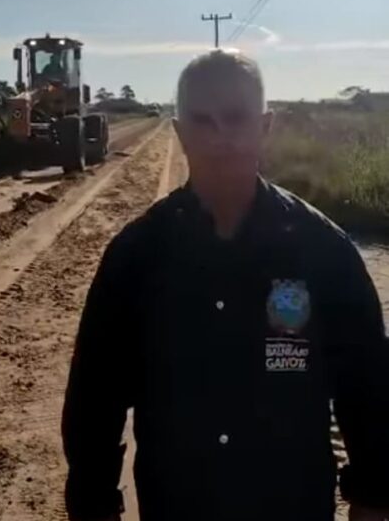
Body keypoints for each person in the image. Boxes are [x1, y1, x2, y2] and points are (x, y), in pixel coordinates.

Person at [62, 50, 389, 521]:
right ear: (179, 134)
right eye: (202, 121)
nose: (220, 138)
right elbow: (94, 401)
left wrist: (374, 499)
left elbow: (369, 390)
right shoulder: (137, 257)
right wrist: (93, 504)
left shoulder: (324, 252)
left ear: (265, 125)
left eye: (235, 119)